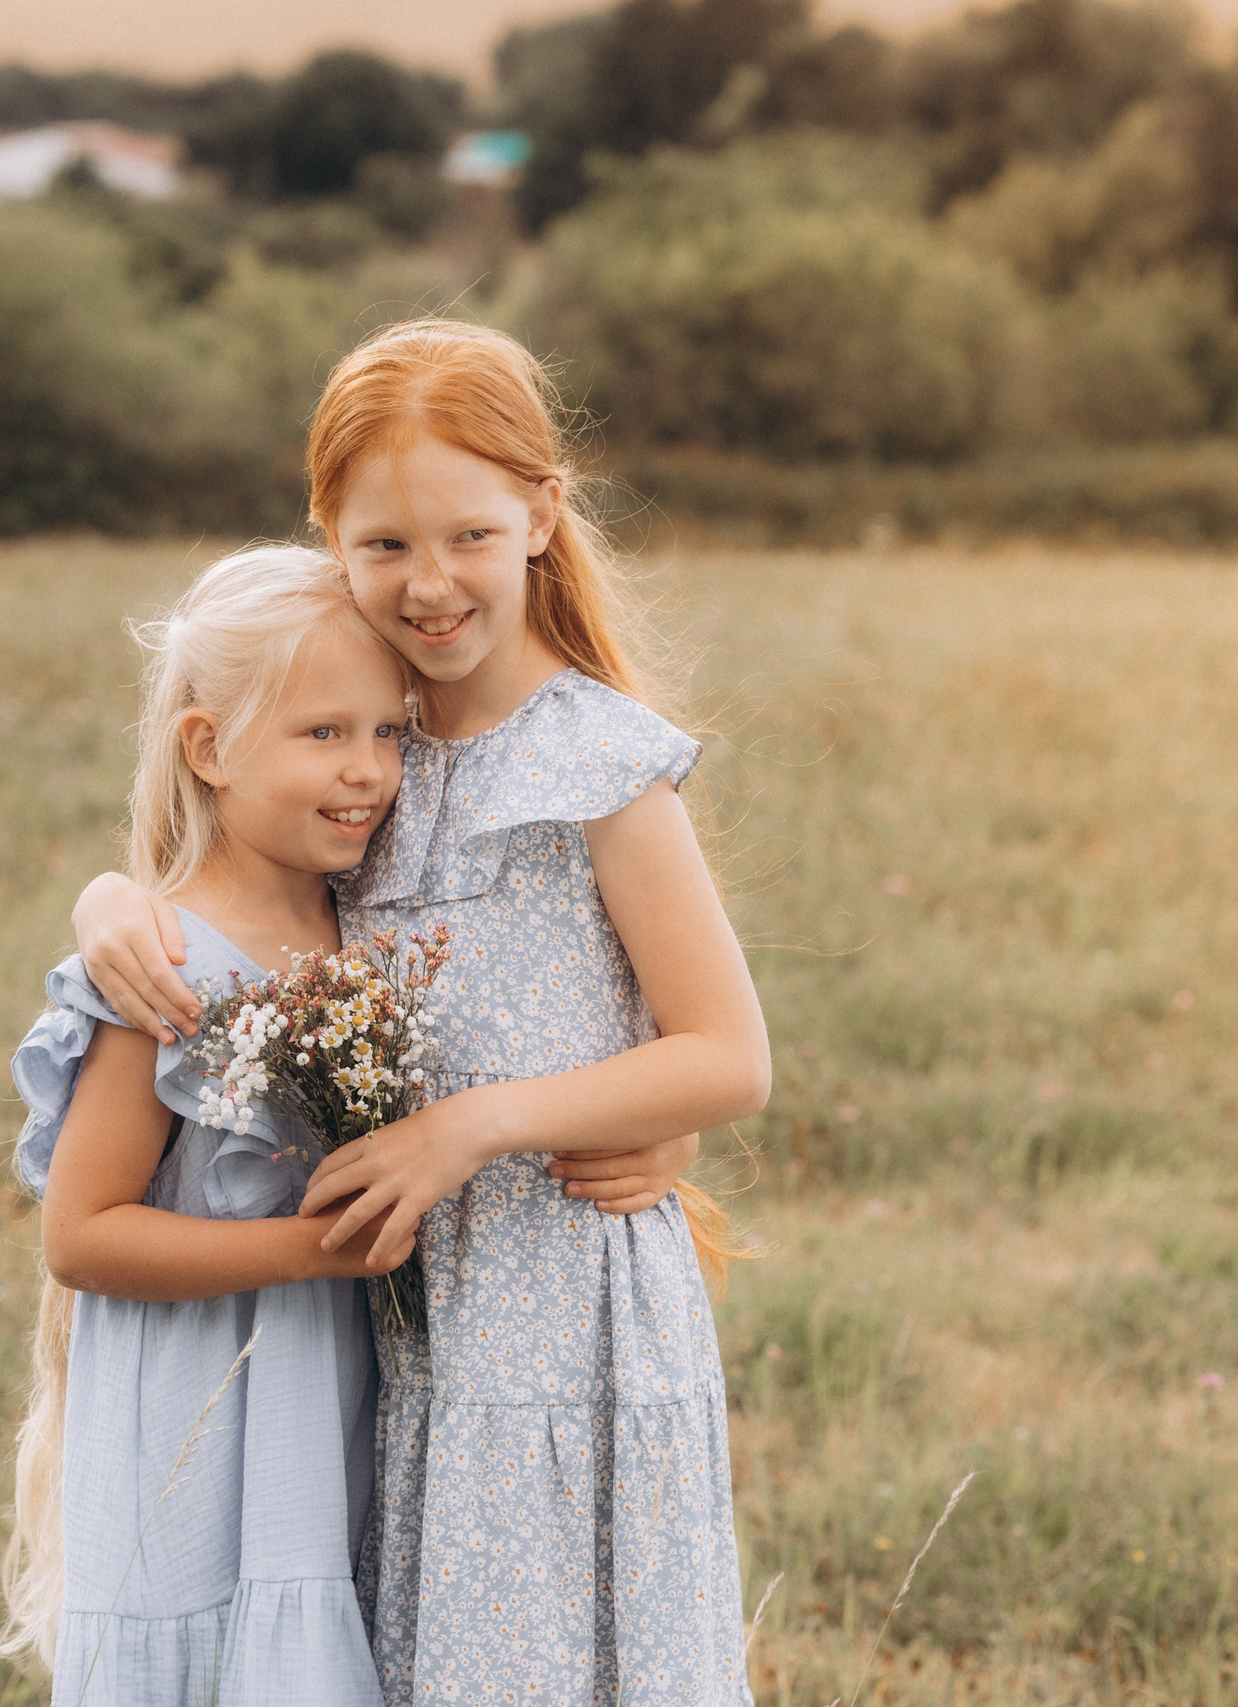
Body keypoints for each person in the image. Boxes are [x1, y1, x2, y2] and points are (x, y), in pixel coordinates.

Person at [71, 321, 771, 1704]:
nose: (429, 581)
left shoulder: (600, 764)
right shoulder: (365, 758)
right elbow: (224, 885)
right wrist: (109, 898)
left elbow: (727, 1054)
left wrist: (481, 1126)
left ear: (540, 518)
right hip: (408, 1338)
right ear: (329, 536)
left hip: (571, 1328)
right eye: (382, 545)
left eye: (466, 534)